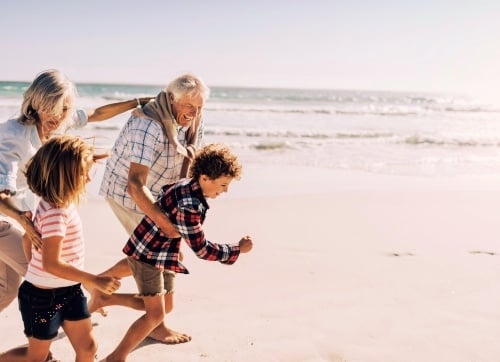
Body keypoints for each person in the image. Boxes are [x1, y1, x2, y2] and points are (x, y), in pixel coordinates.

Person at [0, 68, 152, 315]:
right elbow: (1, 195)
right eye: (52, 107)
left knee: (6, 290)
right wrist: (24, 221)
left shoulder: (58, 121)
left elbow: (95, 113)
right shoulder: (12, 136)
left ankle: (44, 338)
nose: (58, 117)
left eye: (64, 109)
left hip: (21, 218)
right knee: (45, 275)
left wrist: (136, 103)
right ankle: (42, 343)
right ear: (36, 102)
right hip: (7, 218)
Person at [104, 143, 253, 361]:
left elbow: (172, 190)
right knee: (155, 314)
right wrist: (237, 249)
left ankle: (106, 299)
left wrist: (187, 160)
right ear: (204, 178)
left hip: (163, 253)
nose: (225, 190)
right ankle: (116, 357)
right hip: (150, 254)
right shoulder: (190, 206)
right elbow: (202, 250)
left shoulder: (188, 184)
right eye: (222, 185)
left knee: (166, 306)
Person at [95, 73, 209, 344]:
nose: (194, 113)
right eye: (189, 106)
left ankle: (101, 284)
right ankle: (156, 322)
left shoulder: (194, 119)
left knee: (162, 255)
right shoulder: (148, 124)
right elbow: (135, 184)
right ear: (171, 99)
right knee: (159, 255)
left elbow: (191, 164)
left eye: (200, 107)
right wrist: (162, 221)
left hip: (160, 192)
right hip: (128, 193)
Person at [1, 135, 121, 362]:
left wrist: (35, 271)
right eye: (84, 173)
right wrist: (93, 280)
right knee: (37, 356)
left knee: (87, 347)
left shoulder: (52, 203)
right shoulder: (56, 213)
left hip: (69, 291)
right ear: (64, 176)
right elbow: (52, 263)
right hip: (42, 299)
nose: (88, 179)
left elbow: (29, 241)